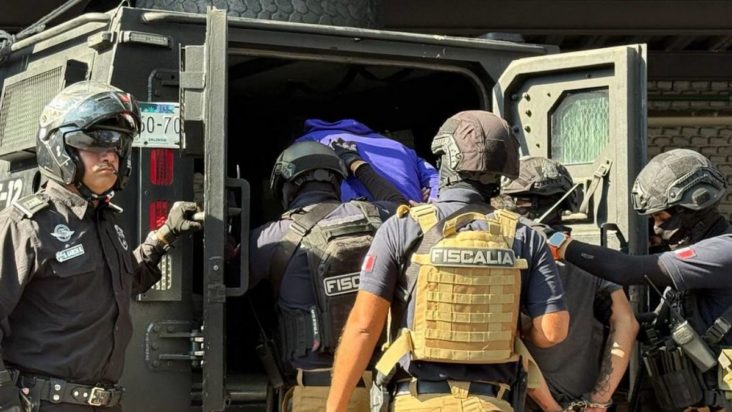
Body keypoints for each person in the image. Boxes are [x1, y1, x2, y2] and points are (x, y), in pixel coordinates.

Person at [327, 111, 570, 412]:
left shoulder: (402, 228)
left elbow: (363, 328)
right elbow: (553, 331)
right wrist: (510, 329)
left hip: (416, 401)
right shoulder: (524, 235)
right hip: (491, 402)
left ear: (445, 161)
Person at [0, 81, 201, 411]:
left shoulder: (105, 223)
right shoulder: (26, 226)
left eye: (118, 145)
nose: (110, 156)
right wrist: (7, 402)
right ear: (61, 148)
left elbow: (123, 282)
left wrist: (165, 234)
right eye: (95, 142)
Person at [546, 148, 732, 410]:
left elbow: (629, 269)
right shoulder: (697, 265)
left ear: (693, 208)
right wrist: (607, 314)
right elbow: (660, 326)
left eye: (661, 217)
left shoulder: (724, 251)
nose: (656, 228)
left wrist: (556, 242)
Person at [249, 139, 407, 412]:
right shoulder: (381, 217)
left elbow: (221, 278)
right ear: (336, 182)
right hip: (386, 393)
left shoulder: (269, 238)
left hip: (317, 394)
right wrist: (356, 164)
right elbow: (404, 206)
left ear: (287, 186)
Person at [501, 156, 638, 411]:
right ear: (568, 202)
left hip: (513, 399)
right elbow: (626, 323)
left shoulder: (502, 256)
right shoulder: (589, 259)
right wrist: (599, 400)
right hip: (578, 403)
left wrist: (551, 407)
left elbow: (513, 341)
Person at [296, 118, 439, 203]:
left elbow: (329, 187)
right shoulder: (396, 145)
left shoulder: (309, 145)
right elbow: (434, 176)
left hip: (374, 227)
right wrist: (430, 202)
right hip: (419, 219)